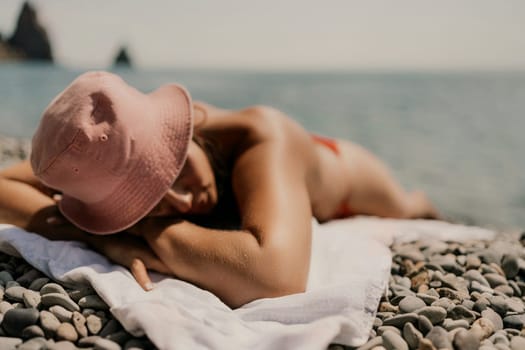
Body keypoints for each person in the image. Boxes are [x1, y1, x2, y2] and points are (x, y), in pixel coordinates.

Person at [0, 71, 439, 308]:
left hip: (346, 175)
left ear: (181, 132)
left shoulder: (260, 136)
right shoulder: (103, 155)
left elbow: (275, 278)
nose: (185, 201)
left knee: (410, 205)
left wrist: (141, 231)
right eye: (147, 203)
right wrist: (99, 231)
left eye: (175, 171)